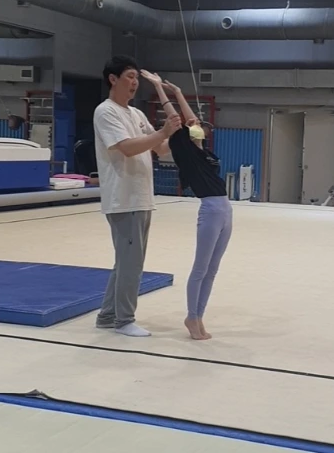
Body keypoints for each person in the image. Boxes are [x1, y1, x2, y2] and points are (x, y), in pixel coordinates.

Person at [93, 55, 182, 337]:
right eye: (129, 77)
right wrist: (163, 132)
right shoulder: (106, 112)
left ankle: (108, 315)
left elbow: (161, 149)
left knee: (126, 261)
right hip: (123, 197)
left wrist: (179, 135)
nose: (134, 83)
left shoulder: (136, 114)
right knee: (131, 263)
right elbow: (128, 148)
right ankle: (124, 320)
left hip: (141, 196)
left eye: (136, 78)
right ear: (113, 79)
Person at [141, 70, 232, 341]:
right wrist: (160, 89)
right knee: (201, 268)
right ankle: (192, 316)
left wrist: (179, 92)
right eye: (193, 125)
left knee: (213, 269)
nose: (196, 123)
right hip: (211, 210)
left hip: (226, 210)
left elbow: (191, 118)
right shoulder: (184, 147)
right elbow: (175, 116)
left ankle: (199, 316)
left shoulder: (203, 151)